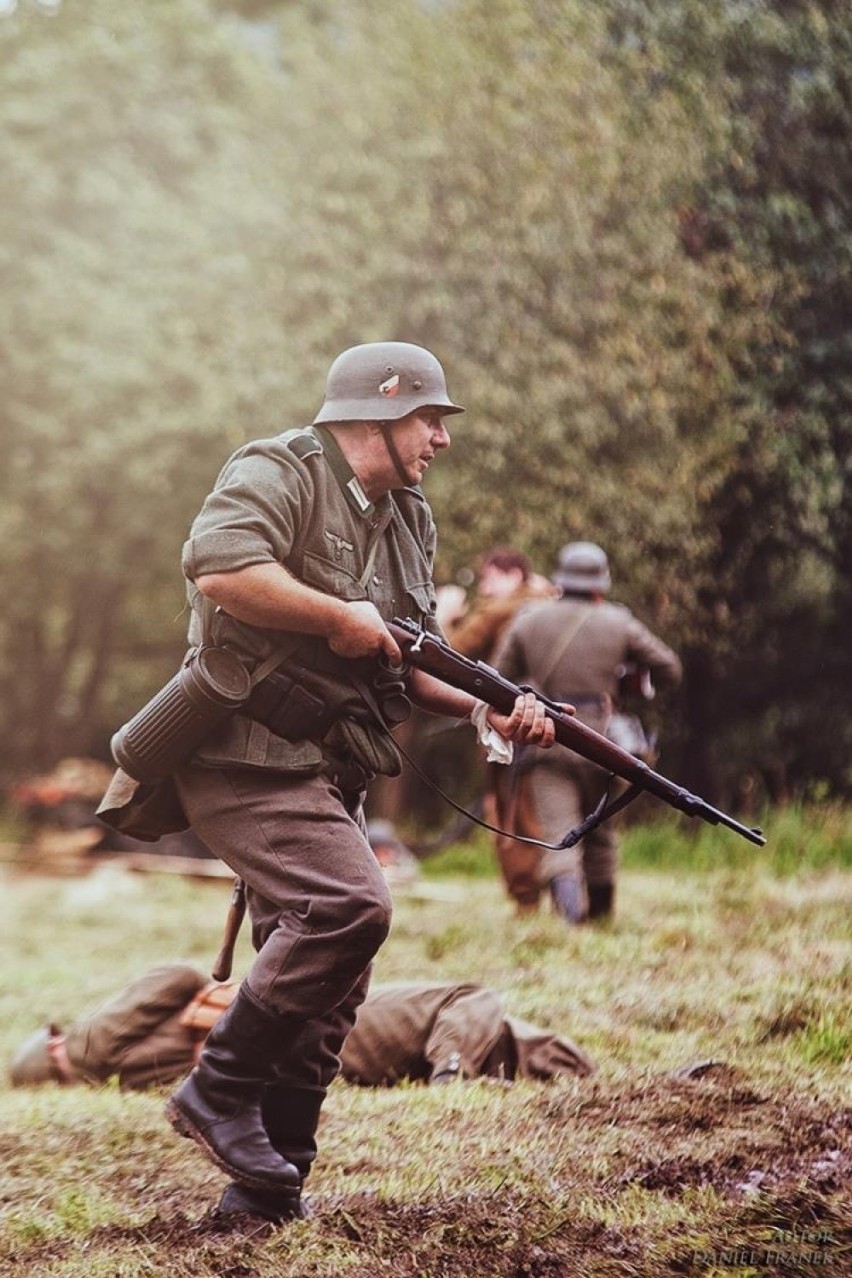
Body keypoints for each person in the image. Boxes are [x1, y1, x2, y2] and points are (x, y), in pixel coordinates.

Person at [98, 342, 557, 1226]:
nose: (442, 439)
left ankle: (268, 1190)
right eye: (430, 418)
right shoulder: (279, 469)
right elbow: (222, 570)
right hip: (241, 756)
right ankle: (215, 1090)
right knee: (353, 909)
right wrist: (337, 614)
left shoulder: (408, 515)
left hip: (326, 769)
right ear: (378, 414)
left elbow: (412, 655)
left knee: (332, 986)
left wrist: (488, 709)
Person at [8, 963, 595, 1096]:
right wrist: (450, 1075)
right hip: (329, 1037)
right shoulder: (112, 1055)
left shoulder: (130, 1070)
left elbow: (178, 976)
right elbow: (180, 974)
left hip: (315, 1042)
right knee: (477, 1000)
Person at [493, 541, 682, 924]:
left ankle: (572, 919)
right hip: (605, 742)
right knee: (601, 829)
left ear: (561, 580)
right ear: (600, 584)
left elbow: (497, 676)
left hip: (548, 736)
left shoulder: (529, 620)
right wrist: (628, 680)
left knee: (560, 831)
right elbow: (669, 668)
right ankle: (601, 916)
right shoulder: (619, 622)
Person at [436, 545, 554, 662]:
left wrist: (443, 615)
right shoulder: (544, 603)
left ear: (515, 576)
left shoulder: (498, 610)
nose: (483, 589)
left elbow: (450, 650)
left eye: (490, 579)